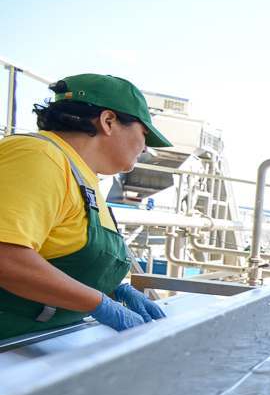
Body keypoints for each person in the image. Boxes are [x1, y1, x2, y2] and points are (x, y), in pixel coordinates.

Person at [0, 75, 170, 340]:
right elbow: (6, 258)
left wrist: (115, 289)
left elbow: (59, 252)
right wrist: (99, 303)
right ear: (108, 121)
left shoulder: (83, 178)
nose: (145, 147)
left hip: (27, 349)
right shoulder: (37, 156)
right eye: (144, 134)